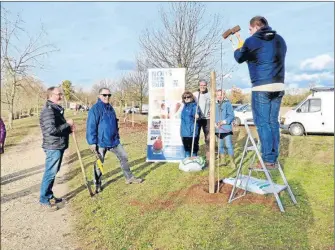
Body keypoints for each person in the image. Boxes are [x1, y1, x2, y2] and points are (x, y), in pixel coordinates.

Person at [233, 16, 287, 169]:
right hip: (278, 86)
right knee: (272, 122)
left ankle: (268, 161)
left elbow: (239, 57)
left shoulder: (251, 41)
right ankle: (273, 158)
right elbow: (263, 56)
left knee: (262, 123)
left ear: (256, 27)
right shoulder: (280, 40)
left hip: (261, 87)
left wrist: (238, 47)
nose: (249, 32)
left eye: (250, 29)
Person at [86, 88, 143, 193]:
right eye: (104, 95)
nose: (107, 97)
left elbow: (114, 123)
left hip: (113, 141)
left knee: (124, 156)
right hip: (100, 142)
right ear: (99, 96)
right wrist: (92, 142)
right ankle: (97, 184)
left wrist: (116, 135)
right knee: (99, 163)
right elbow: (91, 126)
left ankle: (129, 177)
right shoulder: (95, 109)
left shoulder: (110, 108)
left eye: (109, 95)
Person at [39, 87, 75, 209]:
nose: (60, 96)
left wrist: (69, 129)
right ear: (50, 95)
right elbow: (51, 130)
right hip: (53, 146)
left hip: (57, 145)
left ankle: (48, 195)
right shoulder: (48, 111)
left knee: (53, 172)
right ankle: (44, 199)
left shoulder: (56, 109)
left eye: (61, 94)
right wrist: (68, 124)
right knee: (50, 173)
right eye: (58, 94)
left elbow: (58, 127)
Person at [215, 90, 235, 167]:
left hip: (226, 129)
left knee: (229, 145)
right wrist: (215, 123)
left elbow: (231, 116)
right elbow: (212, 115)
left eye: (221, 95)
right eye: (218, 95)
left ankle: (232, 162)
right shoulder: (215, 104)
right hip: (217, 129)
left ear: (224, 95)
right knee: (220, 146)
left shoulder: (227, 104)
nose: (219, 96)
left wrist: (223, 122)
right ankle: (223, 161)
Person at [193, 80, 211, 161]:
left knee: (208, 138)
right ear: (198, 86)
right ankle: (195, 155)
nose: (202, 86)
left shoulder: (210, 94)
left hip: (207, 119)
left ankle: (208, 157)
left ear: (206, 86)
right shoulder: (195, 95)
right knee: (196, 137)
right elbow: (191, 105)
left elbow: (214, 104)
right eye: (201, 85)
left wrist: (212, 111)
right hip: (198, 119)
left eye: (204, 85)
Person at [180, 91, 200, 158]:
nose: (186, 98)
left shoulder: (194, 106)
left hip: (192, 131)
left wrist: (196, 115)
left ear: (191, 97)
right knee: (186, 148)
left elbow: (197, 112)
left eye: (188, 97)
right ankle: (187, 161)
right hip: (184, 132)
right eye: (184, 97)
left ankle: (194, 160)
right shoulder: (184, 107)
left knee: (194, 148)